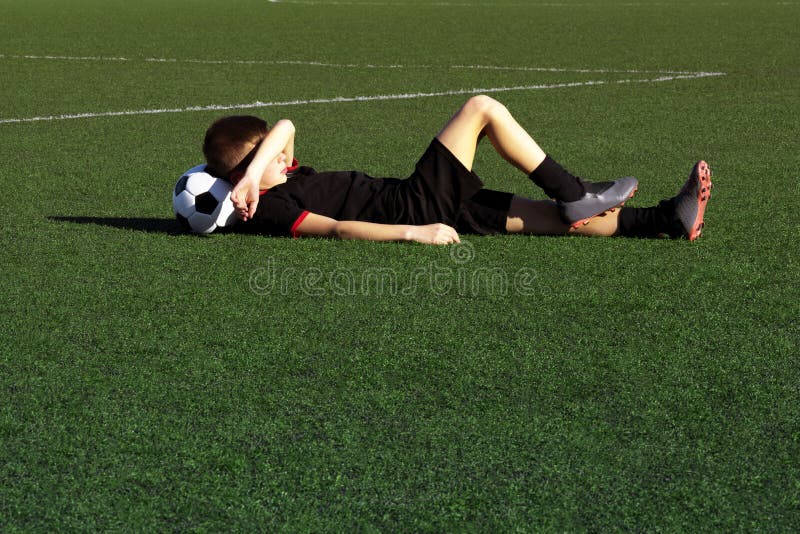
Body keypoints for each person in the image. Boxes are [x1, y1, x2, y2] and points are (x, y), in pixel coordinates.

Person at [201, 95, 712, 244]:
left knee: (550, 218)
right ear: (246, 173)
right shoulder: (267, 206)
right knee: (481, 109)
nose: (285, 159)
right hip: (412, 206)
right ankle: (574, 188)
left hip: (419, 197)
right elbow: (335, 228)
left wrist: (252, 172)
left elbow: (286, 124)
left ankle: (668, 218)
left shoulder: (270, 178)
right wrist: (412, 233)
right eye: (268, 159)